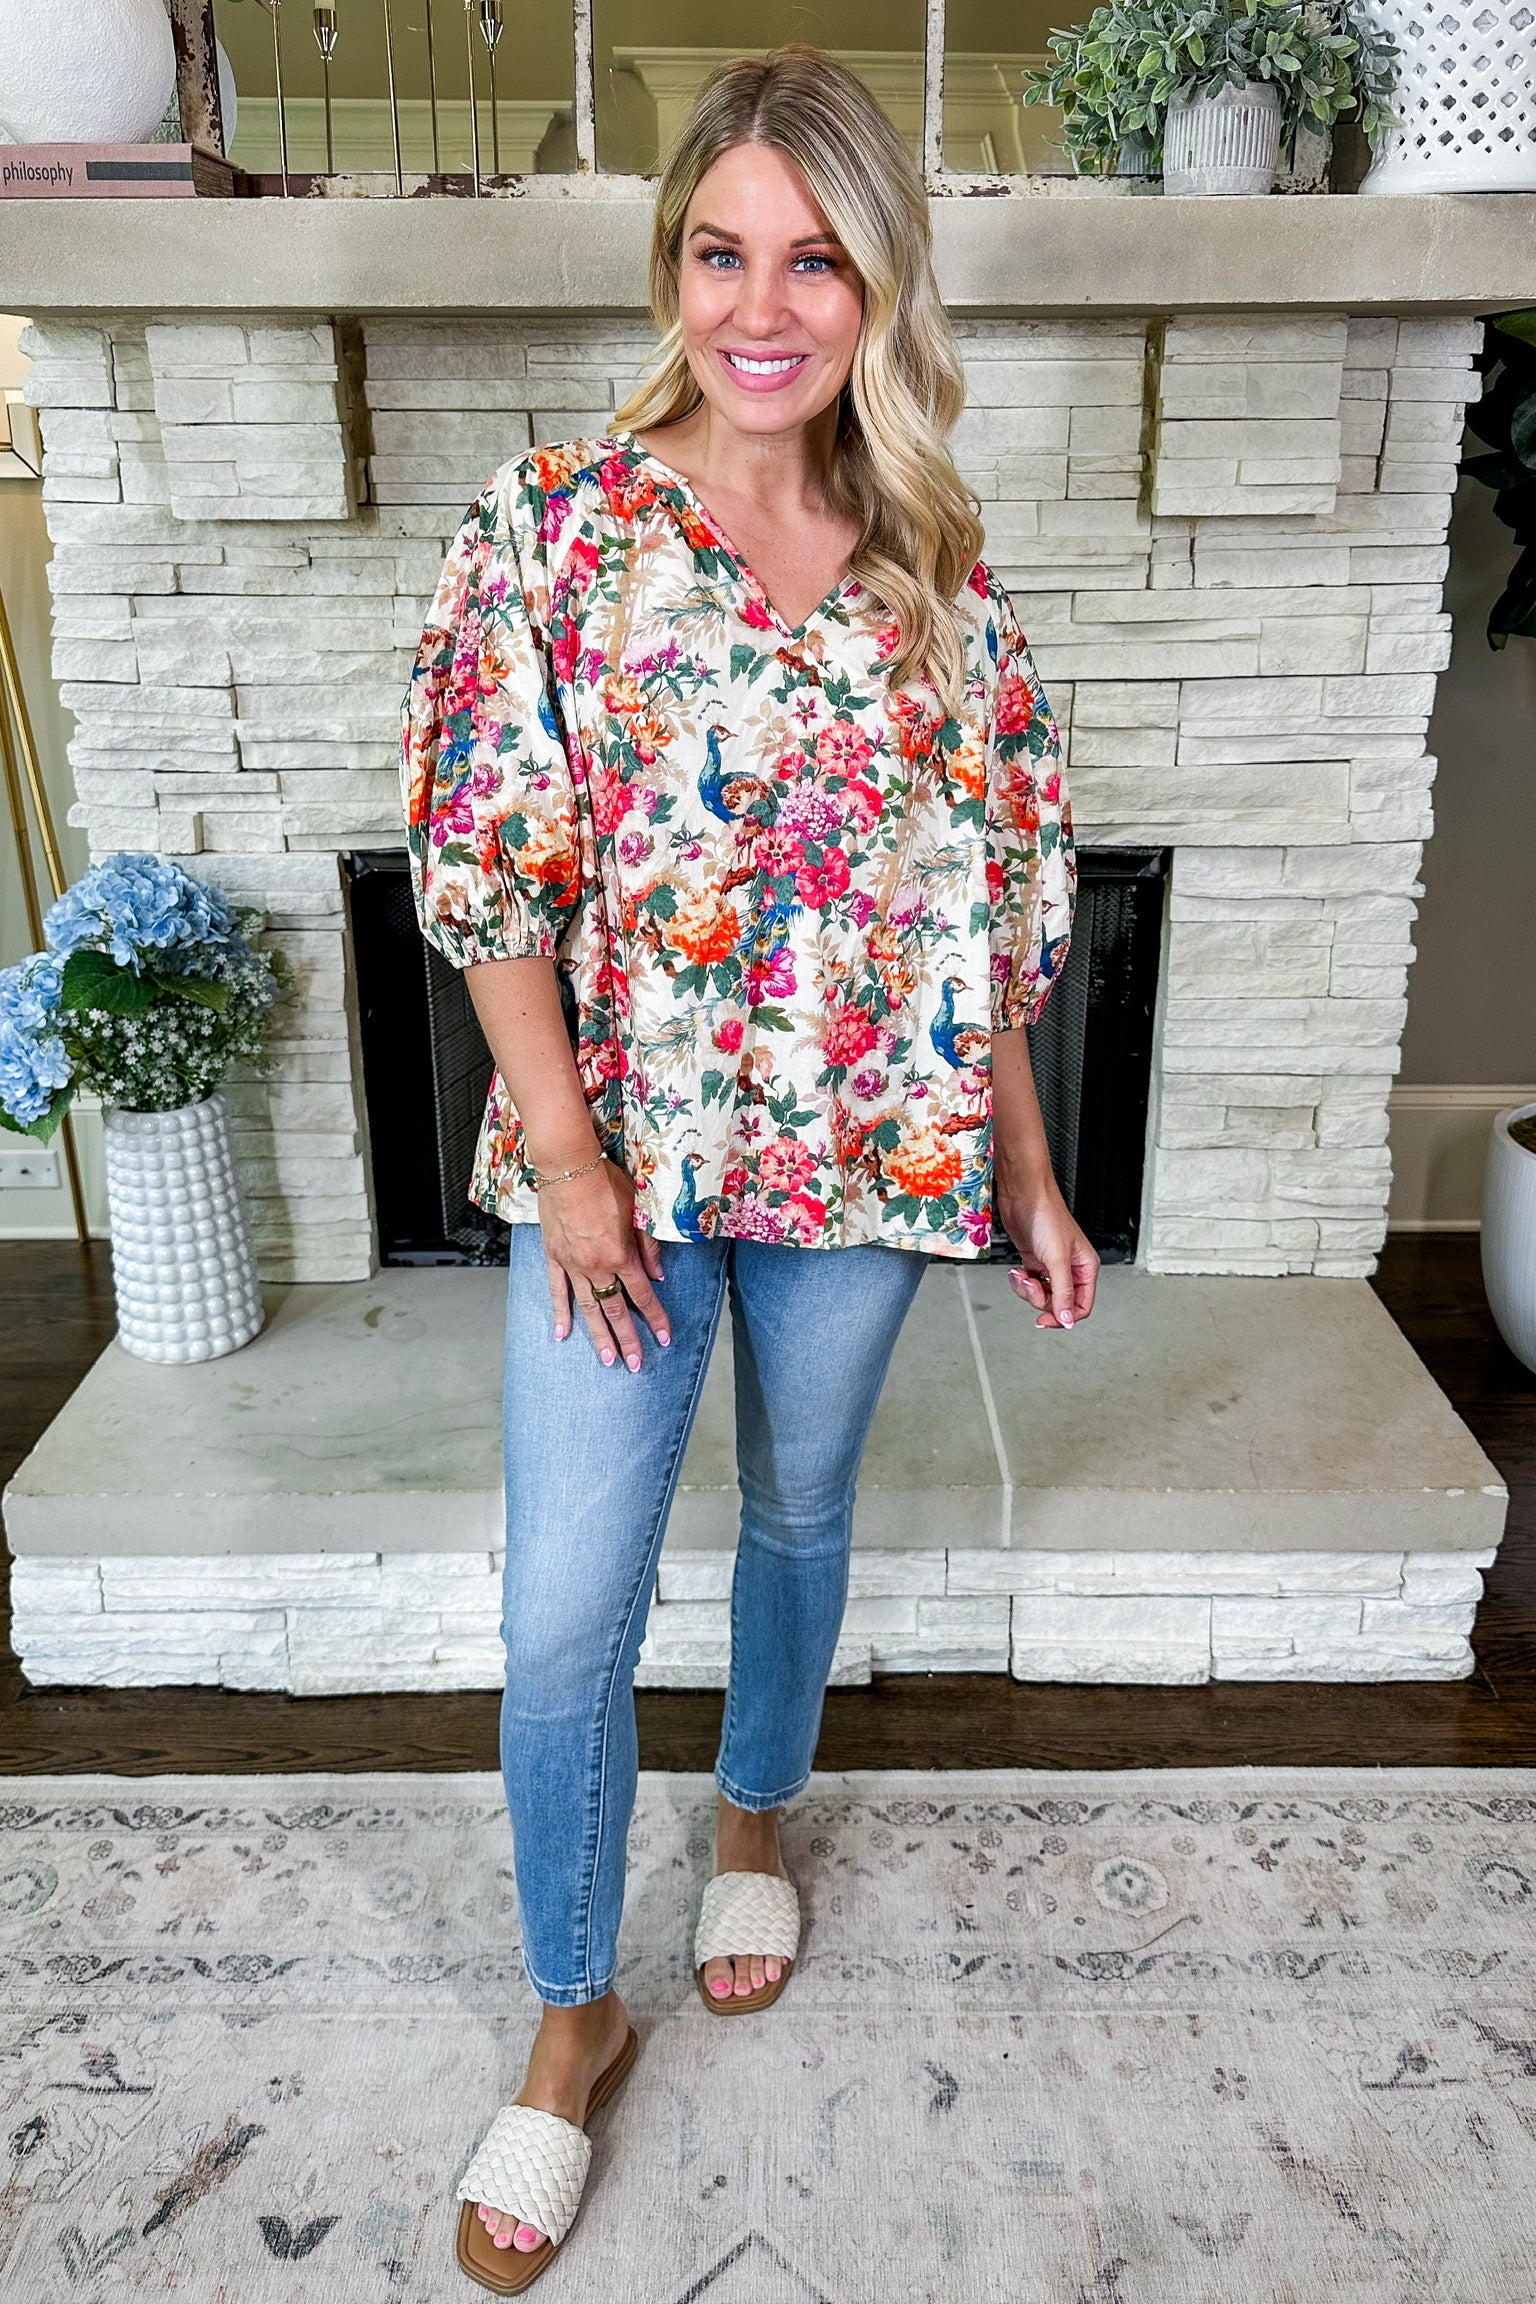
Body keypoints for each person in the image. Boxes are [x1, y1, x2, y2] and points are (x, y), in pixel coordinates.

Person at [401, 44, 1093, 2293]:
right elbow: (488, 871)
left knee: (800, 1508)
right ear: (671, 263)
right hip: (620, 1169)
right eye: (722, 252)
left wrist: (1030, 1170)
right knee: (561, 1622)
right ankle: (573, 2011)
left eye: (815, 261)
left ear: (880, 287)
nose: (762, 308)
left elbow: (991, 912)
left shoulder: (939, 572)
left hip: (874, 1154)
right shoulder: (554, 528)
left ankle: (759, 1814)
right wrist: (569, 1160)